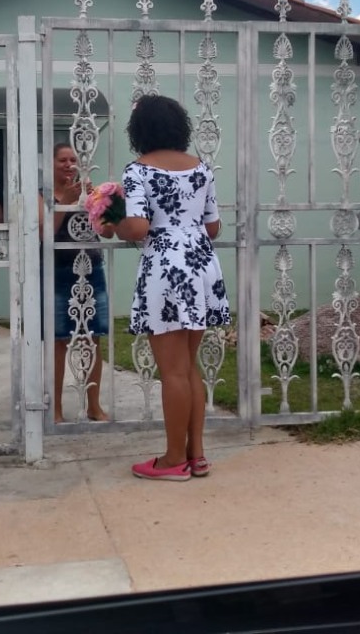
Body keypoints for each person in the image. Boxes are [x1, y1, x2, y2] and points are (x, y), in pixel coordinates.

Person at [100, 95, 230, 481]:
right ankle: (197, 455)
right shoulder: (200, 168)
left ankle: (174, 460)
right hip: (201, 265)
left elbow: (136, 228)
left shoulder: (138, 171)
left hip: (166, 270)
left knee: (171, 371)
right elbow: (213, 227)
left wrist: (112, 216)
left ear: (140, 131)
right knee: (187, 368)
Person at [38, 143, 110, 423]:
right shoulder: (41, 195)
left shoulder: (86, 193)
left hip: (91, 268)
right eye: (62, 160)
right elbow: (44, 234)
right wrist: (65, 202)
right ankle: (54, 409)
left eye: (73, 160)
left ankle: (94, 405)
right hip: (58, 271)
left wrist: (100, 201)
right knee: (58, 341)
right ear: (51, 163)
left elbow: (105, 230)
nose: (68, 165)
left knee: (93, 339)